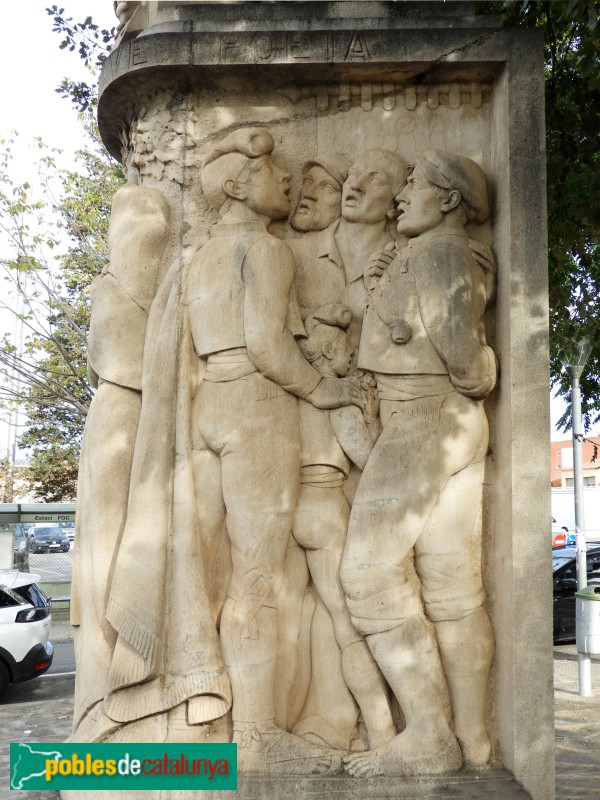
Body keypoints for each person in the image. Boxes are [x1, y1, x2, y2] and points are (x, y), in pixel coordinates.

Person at [342, 150, 497, 777]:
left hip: (424, 422)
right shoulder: (429, 253)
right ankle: (474, 742)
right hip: (447, 427)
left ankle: (430, 737)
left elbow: (464, 355)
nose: (403, 193)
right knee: (453, 589)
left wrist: (478, 372)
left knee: (369, 574)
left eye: (415, 184)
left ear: (450, 200)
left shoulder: (439, 253)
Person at [291, 303, 395, 751]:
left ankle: (334, 721)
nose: (352, 358)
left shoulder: (291, 394)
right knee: (349, 629)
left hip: (296, 511)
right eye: (346, 351)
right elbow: (368, 459)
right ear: (330, 351)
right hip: (327, 508)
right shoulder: (337, 399)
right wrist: (371, 414)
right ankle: (381, 732)